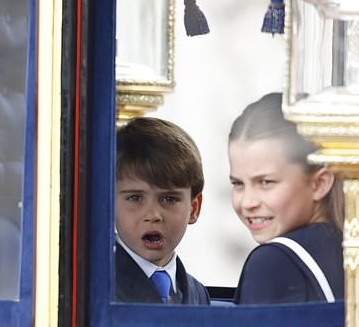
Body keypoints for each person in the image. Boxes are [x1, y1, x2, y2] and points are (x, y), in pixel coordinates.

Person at [228, 92, 344, 304]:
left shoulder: (273, 262)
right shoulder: (346, 245)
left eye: (266, 182)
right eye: (238, 184)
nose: (248, 203)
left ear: (319, 184)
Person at [115, 117, 210, 304]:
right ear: (108, 204)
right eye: (135, 198)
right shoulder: (93, 286)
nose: (153, 215)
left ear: (194, 208)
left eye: (169, 199)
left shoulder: (198, 293)